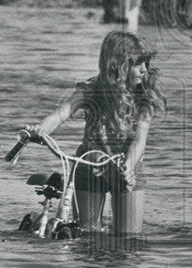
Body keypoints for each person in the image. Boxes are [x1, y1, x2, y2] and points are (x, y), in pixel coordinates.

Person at [25, 31, 166, 234]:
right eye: (138, 64)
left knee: (128, 237)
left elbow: (139, 140)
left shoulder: (144, 96)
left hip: (126, 167)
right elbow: (61, 114)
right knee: (87, 234)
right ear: (117, 64)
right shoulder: (92, 89)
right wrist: (39, 130)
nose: (144, 70)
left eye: (146, 64)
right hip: (89, 166)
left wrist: (128, 166)